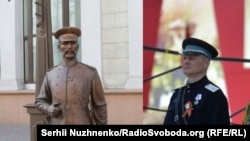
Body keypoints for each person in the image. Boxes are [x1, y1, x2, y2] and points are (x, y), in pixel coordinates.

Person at [35, 26, 107, 125]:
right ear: (58, 47)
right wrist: (48, 108)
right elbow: (40, 101)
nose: (69, 47)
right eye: (65, 43)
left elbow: (100, 106)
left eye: (72, 43)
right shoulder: (50, 74)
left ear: (78, 46)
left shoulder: (90, 73)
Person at [163, 37, 230, 125]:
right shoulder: (177, 95)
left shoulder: (214, 95)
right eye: (185, 58)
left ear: (206, 63)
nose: (186, 61)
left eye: (192, 58)